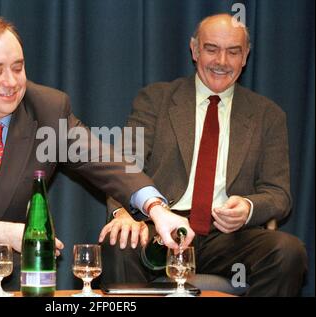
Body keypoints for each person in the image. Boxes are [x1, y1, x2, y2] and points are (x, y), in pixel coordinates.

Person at [0, 17, 187, 289]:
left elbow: (104, 161)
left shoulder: (47, 108)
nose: (11, 82)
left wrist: (156, 209)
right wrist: (0, 232)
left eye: (18, 67)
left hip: (14, 246)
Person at [99, 13, 307, 296]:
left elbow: (278, 194)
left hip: (229, 239)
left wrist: (248, 208)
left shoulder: (267, 115)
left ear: (245, 56)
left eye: (233, 52)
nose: (222, 61)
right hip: (162, 230)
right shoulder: (156, 99)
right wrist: (123, 213)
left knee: (288, 252)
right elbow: (125, 165)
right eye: (212, 49)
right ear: (195, 50)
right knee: (120, 240)